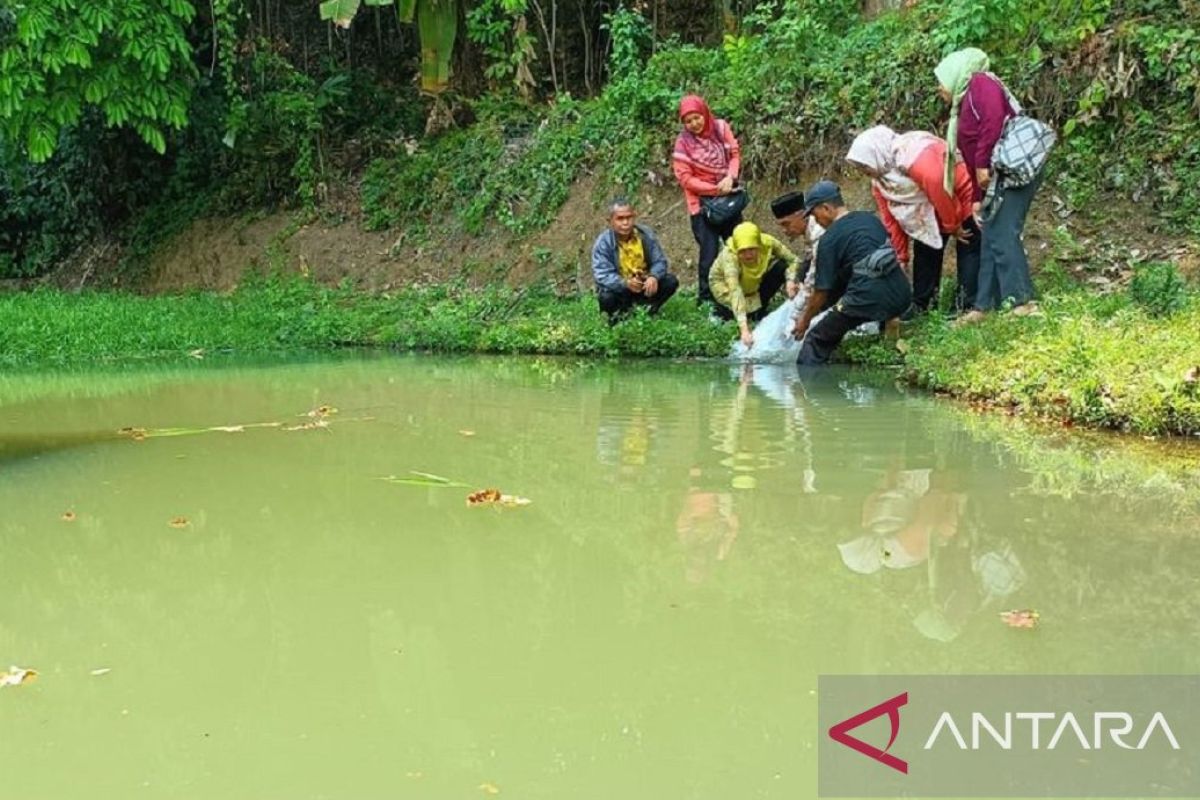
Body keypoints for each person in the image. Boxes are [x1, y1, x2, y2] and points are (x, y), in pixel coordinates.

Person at [935, 47, 1042, 322]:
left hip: (1010, 169)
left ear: (955, 74)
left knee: (1004, 230)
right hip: (992, 176)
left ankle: (1023, 301)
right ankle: (983, 306)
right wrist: (976, 199)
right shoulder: (961, 106)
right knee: (990, 235)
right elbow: (970, 158)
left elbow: (993, 121)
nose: (939, 88)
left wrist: (983, 163)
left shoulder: (981, 83)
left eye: (941, 80)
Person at [846, 125, 980, 313]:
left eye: (863, 165)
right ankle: (922, 305)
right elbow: (892, 219)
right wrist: (901, 256)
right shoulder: (881, 182)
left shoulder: (914, 155)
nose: (862, 170)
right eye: (859, 167)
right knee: (925, 251)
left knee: (968, 248)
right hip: (928, 212)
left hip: (960, 197)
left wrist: (953, 224)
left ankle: (967, 305)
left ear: (876, 152)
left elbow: (939, 186)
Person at [791, 181, 913, 365]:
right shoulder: (871, 219)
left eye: (815, 215)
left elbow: (821, 291)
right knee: (861, 276)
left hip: (867, 299)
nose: (815, 221)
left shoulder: (829, 240)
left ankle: (810, 388)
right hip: (903, 295)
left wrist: (805, 320)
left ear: (826, 208)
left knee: (816, 340)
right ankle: (889, 322)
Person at [672, 94, 743, 314]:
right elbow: (685, 179)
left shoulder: (720, 128)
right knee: (709, 253)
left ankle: (744, 292)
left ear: (705, 113)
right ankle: (706, 301)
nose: (694, 124)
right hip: (701, 205)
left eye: (697, 118)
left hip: (727, 198)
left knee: (739, 245)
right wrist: (714, 189)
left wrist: (730, 177)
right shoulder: (683, 144)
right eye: (688, 121)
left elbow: (734, 154)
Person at [710, 221, 803, 347]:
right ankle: (730, 313)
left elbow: (793, 260)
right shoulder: (730, 257)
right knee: (735, 313)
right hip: (727, 288)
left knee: (781, 266)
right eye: (743, 251)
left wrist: (790, 280)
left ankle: (758, 309)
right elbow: (735, 290)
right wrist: (744, 330)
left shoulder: (768, 243)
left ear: (758, 245)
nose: (748, 255)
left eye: (752, 249)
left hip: (753, 283)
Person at [590, 196, 679, 323]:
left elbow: (659, 261)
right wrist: (625, 283)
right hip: (621, 289)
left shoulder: (645, 234)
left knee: (670, 281)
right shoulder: (603, 243)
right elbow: (602, 274)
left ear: (634, 216)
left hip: (643, 284)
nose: (625, 223)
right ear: (610, 221)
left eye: (629, 217)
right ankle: (619, 318)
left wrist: (653, 276)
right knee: (606, 297)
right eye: (620, 219)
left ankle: (648, 310)